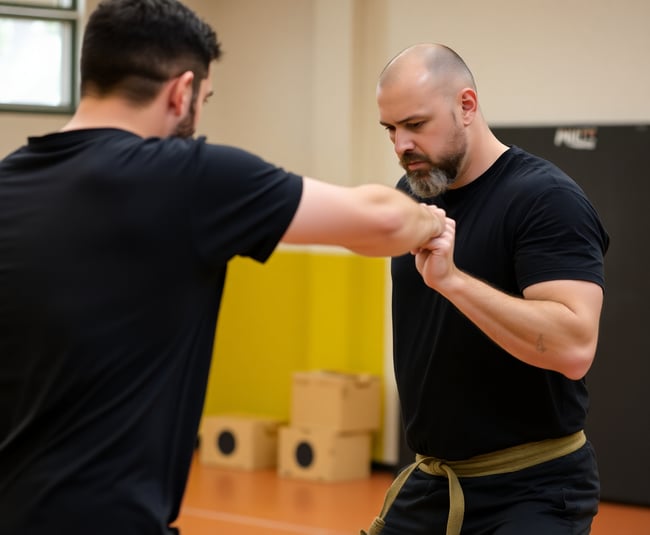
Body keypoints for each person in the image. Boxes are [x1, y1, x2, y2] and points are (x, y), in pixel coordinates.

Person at [0, 3, 448, 534]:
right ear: (181, 91)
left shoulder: (9, 184)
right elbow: (380, 223)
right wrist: (430, 220)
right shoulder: (183, 177)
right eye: (204, 99)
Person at [363, 44, 609, 535]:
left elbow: (574, 346)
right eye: (391, 129)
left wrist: (453, 282)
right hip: (434, 481)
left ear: (467, 106)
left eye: (415, 124)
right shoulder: (410, 193)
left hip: (532, 489)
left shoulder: (545, 199)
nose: (401, 145)